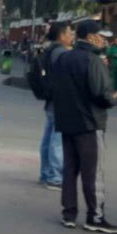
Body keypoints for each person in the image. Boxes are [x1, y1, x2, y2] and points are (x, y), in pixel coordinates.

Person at [52, 20, 117, 234]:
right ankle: (95, 217)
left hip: (67, 122)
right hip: (90, 123)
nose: (104, 41)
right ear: (91, 37)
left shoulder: (64, 58)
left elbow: (53, 88)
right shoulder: (93, 60)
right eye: (101, 36)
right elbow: (101, 94)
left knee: (70, 170)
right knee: (93, 173)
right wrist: (112, 98)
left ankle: (69, 214)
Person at [38, 22, 74, 191]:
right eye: (69, 32)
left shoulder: (50, 50)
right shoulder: (61, 53)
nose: (72, 36)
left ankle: (46, 174)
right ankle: (55, 177)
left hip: (52, 99)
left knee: (49, 137)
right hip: (61, 100)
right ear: (61, 35)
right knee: (57, 140)